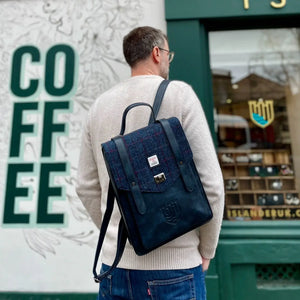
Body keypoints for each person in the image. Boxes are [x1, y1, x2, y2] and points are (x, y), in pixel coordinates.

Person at [76, 26, 224, 300]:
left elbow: (85, 187)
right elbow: (212, 186)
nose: (169, 59)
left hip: (114, 267)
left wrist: (127, 232)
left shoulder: (100, 105)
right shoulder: (179, 95)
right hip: (174, 269)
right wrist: (207, 251)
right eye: (169, 53)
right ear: (157, 53)